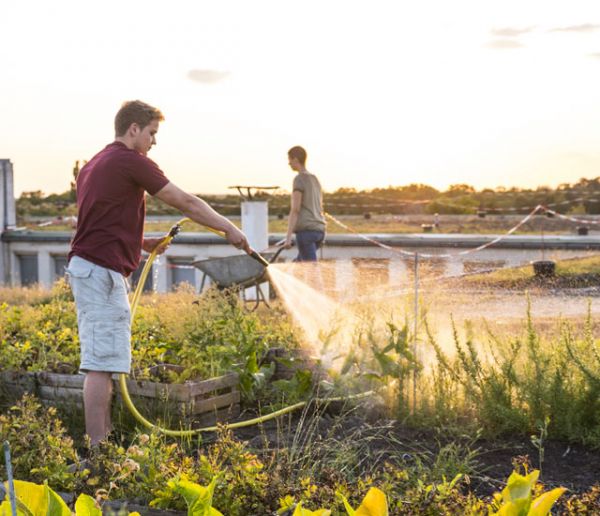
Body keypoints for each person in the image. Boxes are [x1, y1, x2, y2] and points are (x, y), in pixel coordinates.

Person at [66, 100, 252, 446]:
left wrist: (145, 242)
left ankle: (103, 444)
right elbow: (186, 202)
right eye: (152, 133)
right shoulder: (131, 161)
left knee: (103, 362)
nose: (154, 142)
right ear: (133, 129)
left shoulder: (95, 163)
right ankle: (97, 451)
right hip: (99, 273)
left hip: (93, 269)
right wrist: (229, 228)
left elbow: (98, 222)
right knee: (100, 364)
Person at [283, 146, 326, 261]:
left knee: (311, 271)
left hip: (306, 233)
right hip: (319, 232)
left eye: (290, 160)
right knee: (298, 267)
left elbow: (295, 209)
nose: (289, 163)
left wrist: (288, 238)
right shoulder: (314, 179)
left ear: (296, 159)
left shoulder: (299, 179)